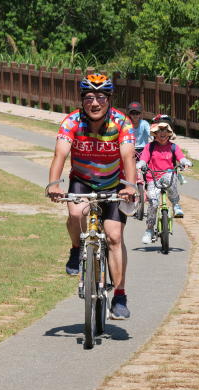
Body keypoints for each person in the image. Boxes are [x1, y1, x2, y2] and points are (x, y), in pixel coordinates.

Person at [46, 74, 138, 320]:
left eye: (100, 97)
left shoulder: (122, 122)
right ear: (82, 100)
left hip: (115, 184)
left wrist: (130, 186)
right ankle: (77, 249)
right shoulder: (72, 121)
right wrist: (54, 184)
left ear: (108, 99)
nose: (94, 103)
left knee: (114, 236)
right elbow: (60, 155)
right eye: (89, 98)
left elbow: (129, 157)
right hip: (82, 181)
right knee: (76, 213)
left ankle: (119, 295)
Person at [138, 114, 192, 244]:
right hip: (153, 179)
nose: (162, 133)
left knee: (169, 176)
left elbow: (181, 157)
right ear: (155, 134)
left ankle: (176, 205)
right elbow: (143, 159)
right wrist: (140, 165)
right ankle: (149, 230)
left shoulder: (174, 147)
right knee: (153, 203)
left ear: (169, 133)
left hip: (168, 177)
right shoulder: (149, 147)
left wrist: (185, 161)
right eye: (159, 131)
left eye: (165, 131)